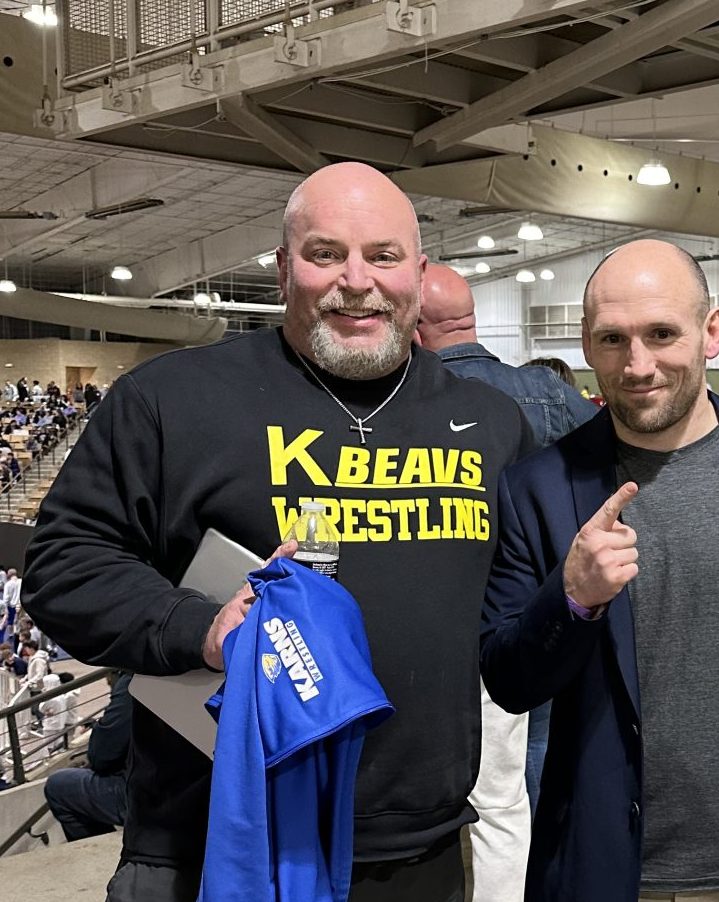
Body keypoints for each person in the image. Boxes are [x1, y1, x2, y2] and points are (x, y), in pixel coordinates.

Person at [22, 161, 534, 902]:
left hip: (417, 848)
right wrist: (199, 629)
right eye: (326, 253)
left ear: (419, 276)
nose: (356, 281)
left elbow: (511, 627)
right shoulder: (172, 399)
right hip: (210, 842)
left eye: (383, 256)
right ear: (283, 268)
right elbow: (64, 564)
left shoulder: (489, 423)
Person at [479, 238, 719, 902]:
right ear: (586, 344)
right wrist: (571, 600)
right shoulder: (537, 488)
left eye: (661, 334)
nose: (637, 365)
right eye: (612, 339)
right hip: (610, 872)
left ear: (712, 332)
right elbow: (508, 680)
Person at [416, 263, 594, 901]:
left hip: (455, 622)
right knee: (532, 765)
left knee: (483, 795)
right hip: (549, 610)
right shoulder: (545, 391)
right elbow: (612, 462)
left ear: (415, 325)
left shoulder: (418, 399)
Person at [44, 671, 133, 842]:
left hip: (156, 797)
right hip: (184, 788)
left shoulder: (136, 680)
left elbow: (102, 757)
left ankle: (106, 850)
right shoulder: (185, 672)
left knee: (58, 786)